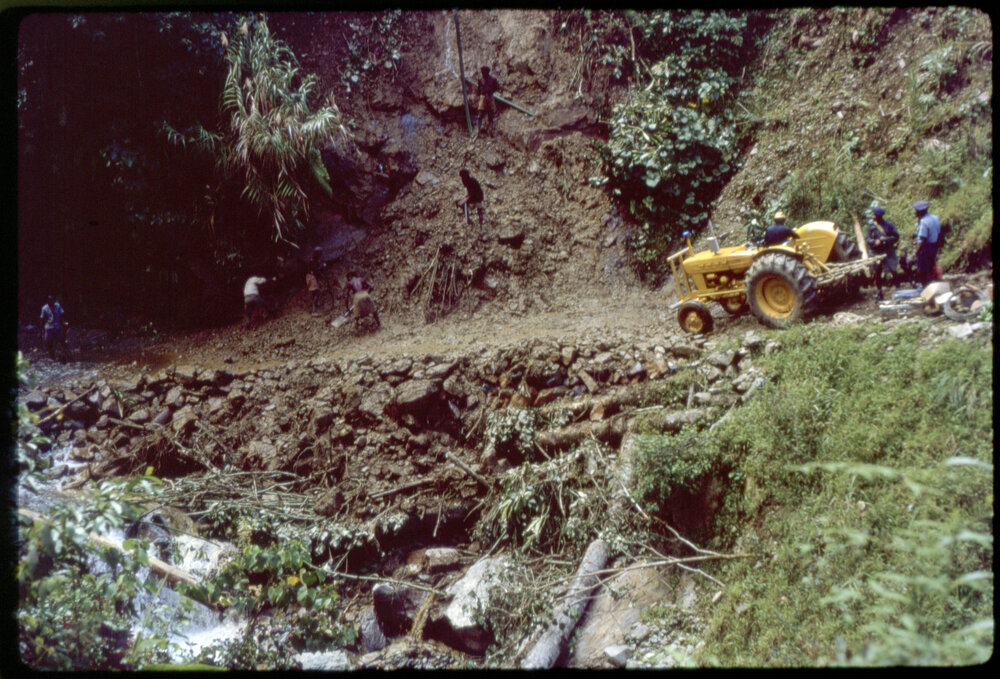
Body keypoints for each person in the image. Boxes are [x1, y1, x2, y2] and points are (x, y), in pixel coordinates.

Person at [865, 206, 900, 300]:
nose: (873, 216)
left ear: (879, 216)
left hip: (888, 250)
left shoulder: (889, 224)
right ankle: (879, 292)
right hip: (876, 252)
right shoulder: (871, 226)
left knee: (893, 269)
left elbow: (896, 237)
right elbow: (868, 239)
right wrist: (875, 242)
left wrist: (886, 239)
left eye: (874, 215)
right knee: (877, 272)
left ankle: (898, 288)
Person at [913, 200, 941, 287]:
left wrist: (916, 252)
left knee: (923, 271)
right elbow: (939, 233)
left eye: (916, 211)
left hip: (925, 249)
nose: (915, 212)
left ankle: (926, 288)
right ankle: (931, 286)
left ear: (920, 212)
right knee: (930, 268)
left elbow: (923, 240)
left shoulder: (924, 222)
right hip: (933, 246)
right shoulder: (935, 218)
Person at [39, 295, 68, 362]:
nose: (51, 301)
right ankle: (52, 356)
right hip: (49, 326)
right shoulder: (44, 308)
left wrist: (63, 323)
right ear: (47, 301)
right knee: (49, 342)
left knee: (62, 340)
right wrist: (40, 331)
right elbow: (42, 319)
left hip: (57, 326)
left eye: (52, 300)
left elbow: (62, 315)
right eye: (49, 300)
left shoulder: (58, 306)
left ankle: (63, 354)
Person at [476, 66, 501, 136]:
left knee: (490, 115)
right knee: (480, 115)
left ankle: (490, 131)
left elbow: (496, 87)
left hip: (489, 97)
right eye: (482, 72)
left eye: (484, 72)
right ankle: (479, 131)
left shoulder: (492, 80)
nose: (483, 73)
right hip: (484, 97)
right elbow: (478, 89)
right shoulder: (481, 80)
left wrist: (489, 92)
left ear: (487, 72)